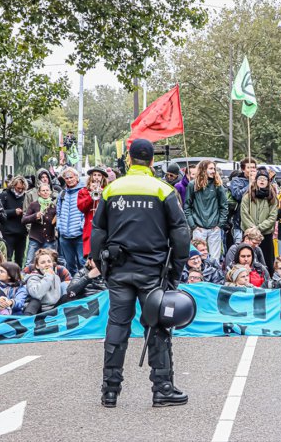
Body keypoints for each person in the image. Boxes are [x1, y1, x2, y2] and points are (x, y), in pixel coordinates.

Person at [90, 139, 191, 408]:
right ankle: (163, 388)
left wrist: (100, 265)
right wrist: (176, 271)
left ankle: (109, 391)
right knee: (157, 326)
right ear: (151, 161)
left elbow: (97, 231)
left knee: (117, 326)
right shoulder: (163, 189)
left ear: (130, 158)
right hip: (153, 272)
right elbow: (181, 233)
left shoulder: (112, 189)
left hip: (119, 269)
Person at [184, 160, 228, 261]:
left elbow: (224, 206)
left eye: (214, 169)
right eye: (211, 168)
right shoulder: (192, 185)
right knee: (197, 257)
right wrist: (193, 226)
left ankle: (215, 276)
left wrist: (220, 224)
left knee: (215, 259)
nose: (213, 171)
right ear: (203, 170)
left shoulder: (218, 185)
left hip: (214, 228)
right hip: (198, 227)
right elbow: (187, 206)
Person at [241, 168, 278, 276]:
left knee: (267, 260)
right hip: (249, 235)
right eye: (260, 178)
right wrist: (252, 230)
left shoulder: (272, 198)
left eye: (264, 179)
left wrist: (258, 229)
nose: (262, 181)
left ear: (268, 182)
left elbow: (272, 216)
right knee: (248, 258)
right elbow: (244, 214)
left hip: (265, 235)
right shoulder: (247, 196)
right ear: (256, 180)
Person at [56, 167, 85, 275]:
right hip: (64, 235)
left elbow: (86, 211)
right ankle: (73, 287)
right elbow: (58, 212)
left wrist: (81, 225)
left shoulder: (83, 191)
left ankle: (85, 287)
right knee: (69, 264)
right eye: (67, 178)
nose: (69, 180)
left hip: (79, 234)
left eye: (71, 177)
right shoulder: (62, 194)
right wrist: (59, 226)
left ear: (77, 177)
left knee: (83, 262)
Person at [24, 249, 71, 314]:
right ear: (37, 266)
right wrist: (48, 276)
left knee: (67, 297)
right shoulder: (32, 278)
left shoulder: (56, 277)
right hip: (39, 309)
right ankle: (27, 322)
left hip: (54, 308)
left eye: (49, 261)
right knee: (35, 302)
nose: (47, 264)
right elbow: (37, 294)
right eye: (43, 262)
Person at [22, 183, 57, 267]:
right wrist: (35, 216)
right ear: (39, 193)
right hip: (35, 238)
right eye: (43, 190)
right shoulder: (34, 205)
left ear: (50, 192)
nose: (45, 192)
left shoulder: (54, 206)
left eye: (47, 190)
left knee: (49, 262)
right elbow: (24, 220)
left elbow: (55, 222)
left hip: (49, 239)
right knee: (30, 262)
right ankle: (27, 278)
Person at [77, 166, 108, 258]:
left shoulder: (107, 190)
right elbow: (81, 207)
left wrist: (102, 194)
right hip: (89, 226)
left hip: (103, 225)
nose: (97, 177)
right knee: (90, 255)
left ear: (102, 177)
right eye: (94, 175)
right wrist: (91, 195)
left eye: (99, 175)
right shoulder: (84, 191)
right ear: (91, 177)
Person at [0, 176, 29, 266]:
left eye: (22, 189)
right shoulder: (4, 195)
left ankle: (18, 276)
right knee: (7, 257)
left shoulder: (26, 196)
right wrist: (13, 212)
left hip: (22, 233)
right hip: (8, 232)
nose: (20, 191)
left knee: (20, 258)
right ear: (13, 185)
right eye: (18, 188)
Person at [228, 157, 258, 244]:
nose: (252, 170)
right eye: (249, 168)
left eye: (253, 167)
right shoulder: (236, 181)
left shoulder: (260, 181)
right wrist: (250, 184)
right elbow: (237, 195)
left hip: (255, 222)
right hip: (240, 222)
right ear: (243, 169)